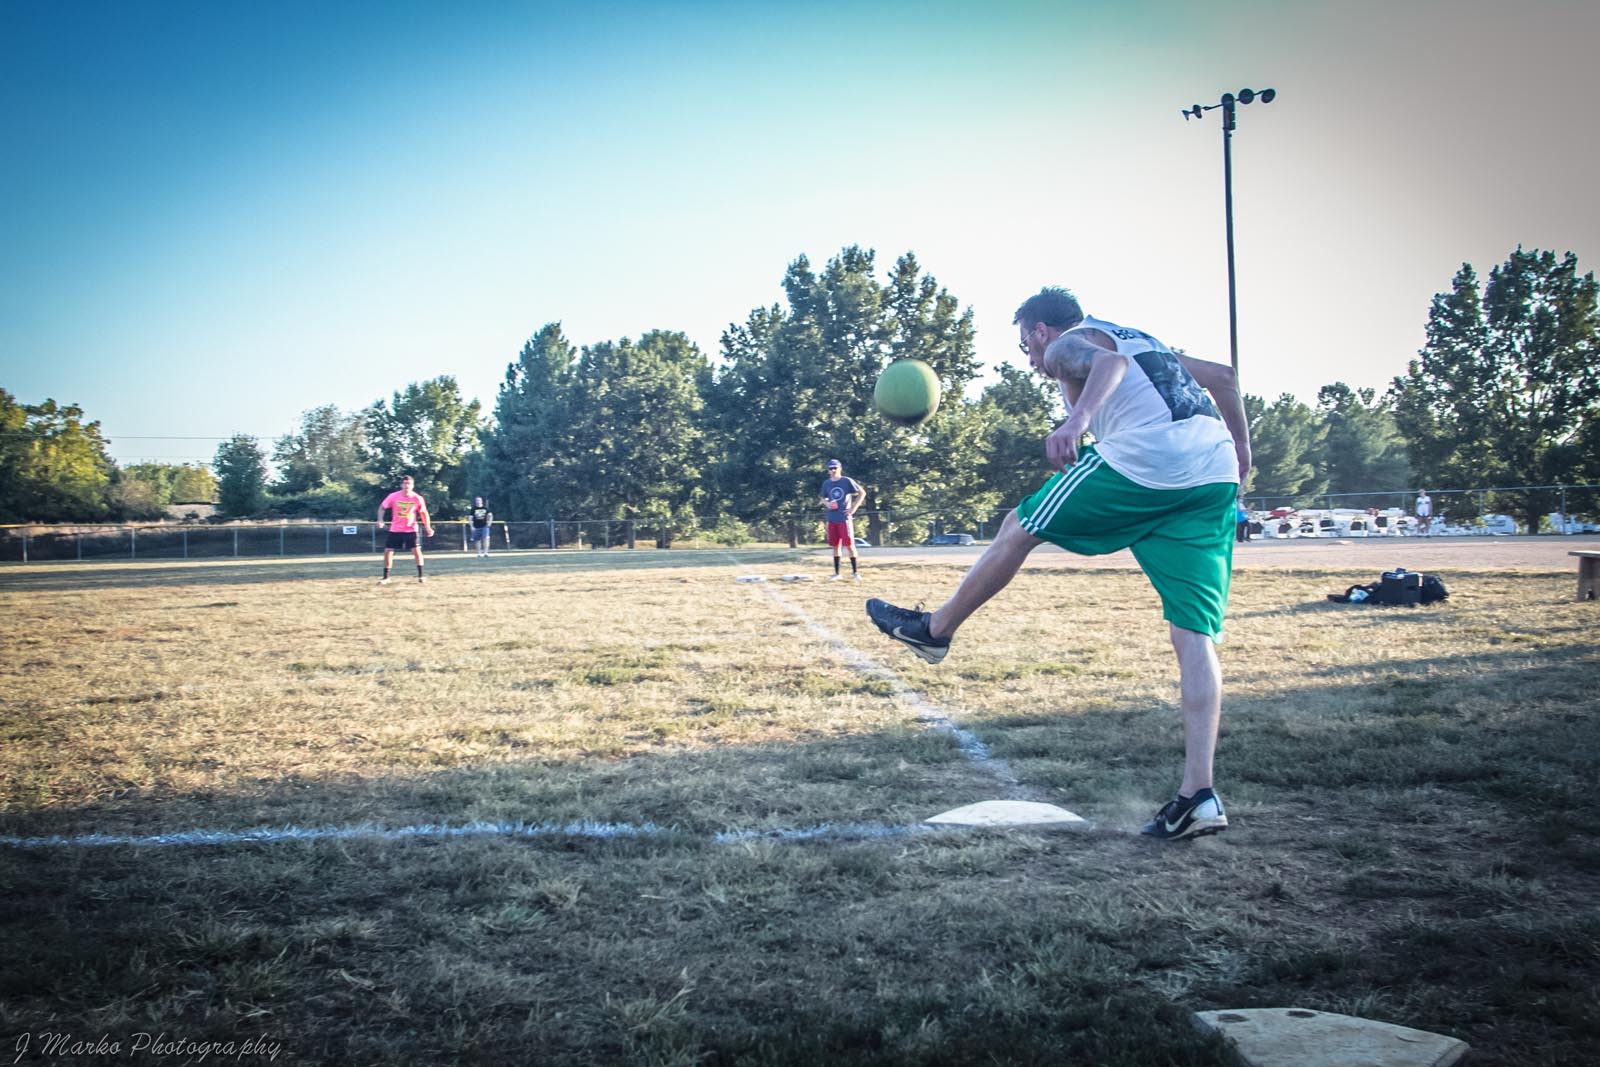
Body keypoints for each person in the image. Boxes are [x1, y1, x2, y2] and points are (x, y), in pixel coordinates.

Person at [865, 287, 1251, 841]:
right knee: (1193, 632)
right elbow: (1224, 378)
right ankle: (1199, 796)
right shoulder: (1146, 341)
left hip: (1147, 460)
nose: (1030, 360)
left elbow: (1110, 367)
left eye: (1026, 345)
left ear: (1043, 331)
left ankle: (934, 631)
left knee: (1019, 525)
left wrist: (1077, 422)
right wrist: (1242, 450)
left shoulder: (1068, 343)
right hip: (1212, 473)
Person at [377, 475, 434, 584]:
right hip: (395, 529)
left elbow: (423, 513)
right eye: (405, 483)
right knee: (388, 551)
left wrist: (428, 527)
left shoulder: (417, 498)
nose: (407, 486)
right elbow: (382, 507)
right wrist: (380, 520)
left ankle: (421, 576)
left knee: (416, 550)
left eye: (409, 484)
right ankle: (386, 577)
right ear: (401, 485)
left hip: (411, 529)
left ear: (413, 485)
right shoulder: (393, 496)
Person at [819, 459, 867, 580]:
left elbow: (862, 493)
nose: (833, 470)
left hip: (844, 518)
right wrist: (827, 504)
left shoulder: (846, 481)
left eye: (835, 468)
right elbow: (823, 497)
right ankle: (837, 573)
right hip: (832, 518)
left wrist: (853, 508)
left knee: (849, 545)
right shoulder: (826, 483)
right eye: (830, 468)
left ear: (840, 468)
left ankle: (855, 573)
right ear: (828, 470)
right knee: (835, 546)